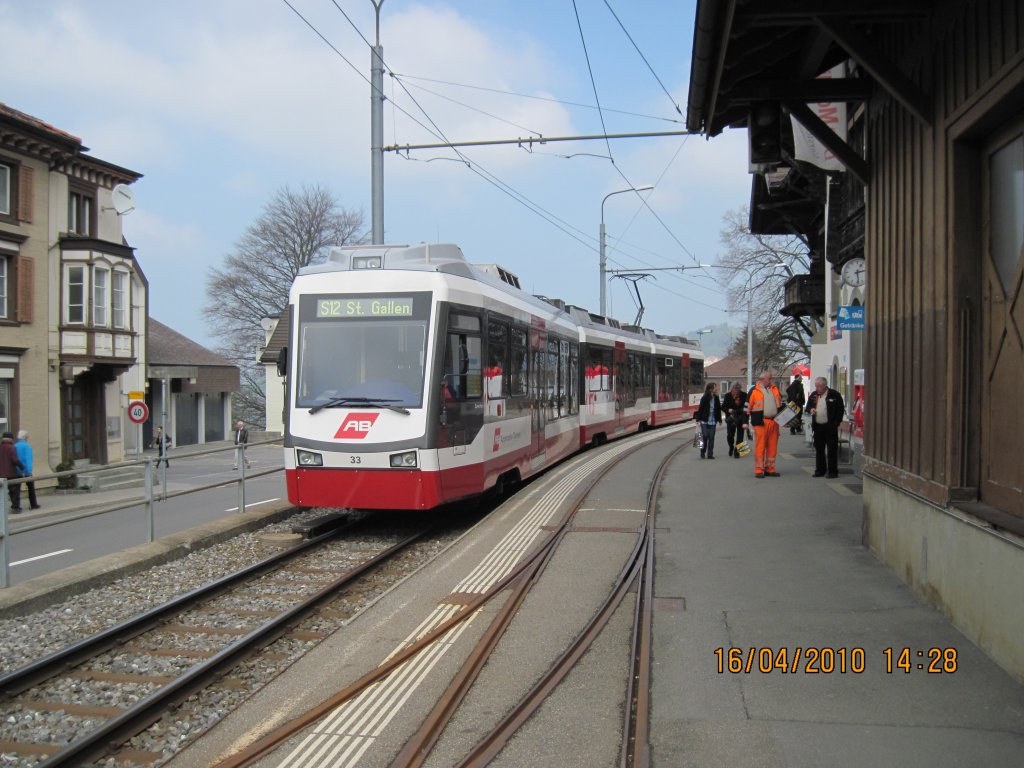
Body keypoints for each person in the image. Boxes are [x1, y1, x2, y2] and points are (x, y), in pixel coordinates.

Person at [746, 370, 784, 478]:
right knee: (760, 446)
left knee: (772, 447)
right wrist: (745, 422)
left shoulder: (774, 389)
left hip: (774, 422)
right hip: (761, 422)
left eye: (771, 378)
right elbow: (747, 406)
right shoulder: (754, 391)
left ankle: (770, 469)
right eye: (769, 378)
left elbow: (780, 404)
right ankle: (759, 470)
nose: (771, 380)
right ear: (762, 379)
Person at [807, 376, 846, 478]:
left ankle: (832, 471)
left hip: (830, 427)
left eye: (819, 386)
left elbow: (840, 409)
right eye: (816, 386)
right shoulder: (814, 395)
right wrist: (811, 409)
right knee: (819, 449)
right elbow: (808, 406)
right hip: (818, 426)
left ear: (824, 386)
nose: (817, 388)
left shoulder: (834, 395)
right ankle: (820, 470)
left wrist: (836, 422)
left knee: (832, 449)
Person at [14, 430, 40, 510]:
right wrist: (29, 471)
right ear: (25, 437)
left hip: (16, 471)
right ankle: (33, 504)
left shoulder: (15, 446)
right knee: (31, 488)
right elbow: (28, 460)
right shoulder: (27, 446)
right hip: (25, 471)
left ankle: (16, 506)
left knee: (16, 490)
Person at [695, 382, 722, 459]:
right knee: (705, 436)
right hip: (704, 420)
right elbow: (700, 409)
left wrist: (719, 420)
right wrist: (698, 419)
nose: (716, 389)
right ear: (711, 389)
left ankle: (710, 454)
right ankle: (702, 452)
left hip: (713, 421)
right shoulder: (704, 398)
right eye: (715, 387)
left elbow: (718, 409)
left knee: (712, 437)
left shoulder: (716, 398)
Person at [1, 431, 25, 511]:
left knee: (2, 491)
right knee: (14, 492)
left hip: (1, 475)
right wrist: (22, 466)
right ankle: (15, 507)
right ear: (11, 439)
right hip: (11, 474)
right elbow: (15, 460)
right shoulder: (12, 447)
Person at [721, 383, 747, 458]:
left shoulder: (744, 395)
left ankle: (737, 452)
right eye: (735, 389)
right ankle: (731, 447)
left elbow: (746, 406)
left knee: (740, 436)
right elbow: (723, 407)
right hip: (731, 418)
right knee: (730, 435)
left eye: (738, 389)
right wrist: (728, 410)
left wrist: (742, 412)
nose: (736, 391)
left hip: (741, 417)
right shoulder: (728, 395)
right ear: (732, 389)